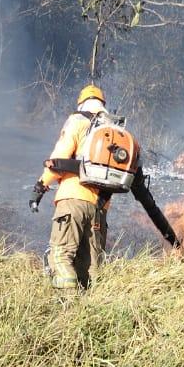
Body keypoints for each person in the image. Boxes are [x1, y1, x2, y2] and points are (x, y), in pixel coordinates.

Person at [29, 84, 110, 290]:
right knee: (91, 267)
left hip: (72, 199)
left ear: (82, 102)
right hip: (99, 207)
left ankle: (69, 309)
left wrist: (40, 186)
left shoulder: (78, 121)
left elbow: (59, 159)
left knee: (61, 256)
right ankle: (95, 312)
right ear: (102, 104)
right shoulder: (112, 130)